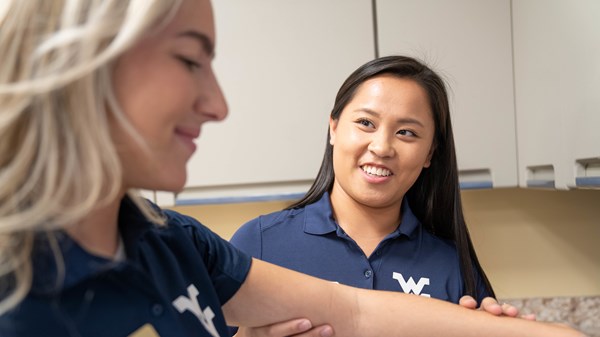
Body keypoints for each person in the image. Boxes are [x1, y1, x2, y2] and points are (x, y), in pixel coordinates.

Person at [0, 1, 586, 337]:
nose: (219, 104)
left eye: (408, 133)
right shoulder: (18, 285)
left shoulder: (174, 244)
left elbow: (353, 311)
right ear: (78, 67)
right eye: (188, 59)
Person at [228, 55, 524, 337]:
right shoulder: (260, 243)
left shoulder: (452, 266)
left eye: (406, 132)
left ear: (430, 153)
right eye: (366, 123)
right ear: (333, 128)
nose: (382, 147)